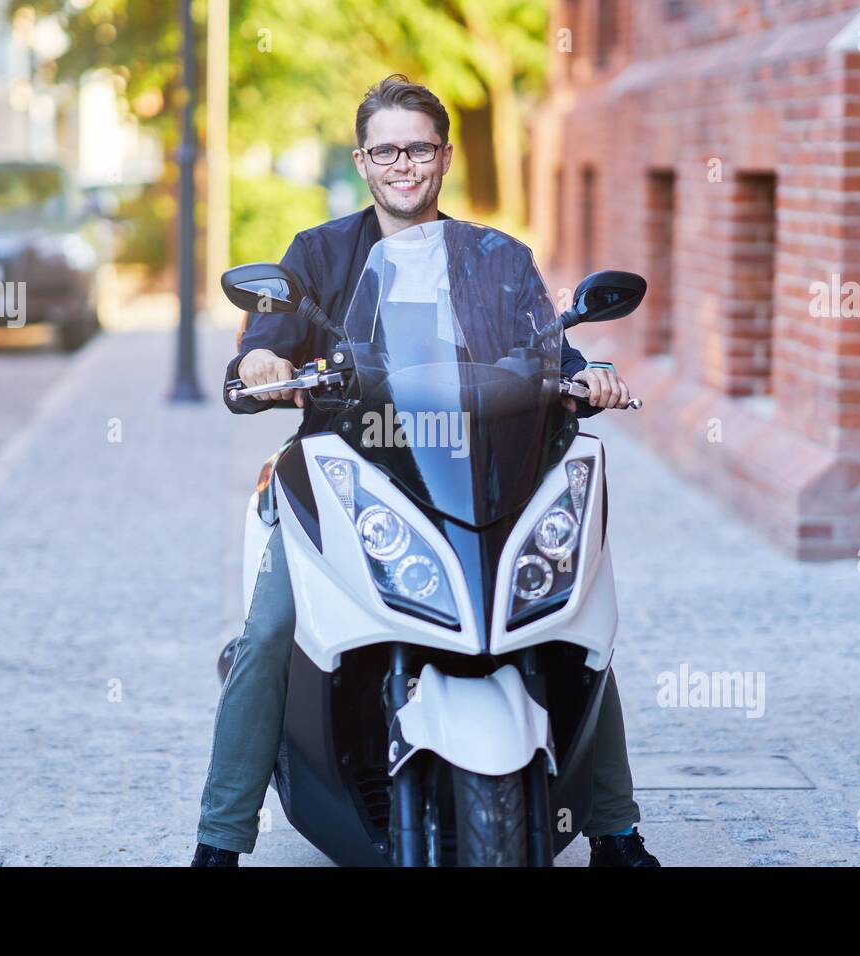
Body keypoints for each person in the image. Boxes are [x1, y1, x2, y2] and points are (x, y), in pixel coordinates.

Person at [192, 75, 658, 868]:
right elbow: (263, 341)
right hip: (351, 468)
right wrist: (267, 359)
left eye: (418, 148)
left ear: (444, 156)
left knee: (569, 614)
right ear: (362, 159)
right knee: (270, 628)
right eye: (386, 150)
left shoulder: (498, 260)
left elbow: (556, 354)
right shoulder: (317, 253)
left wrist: (590, 377)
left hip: (480, 474)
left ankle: (616, 829)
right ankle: (220, 839)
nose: (403, 164)